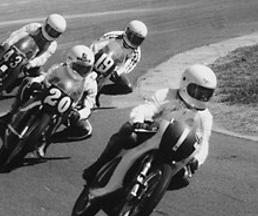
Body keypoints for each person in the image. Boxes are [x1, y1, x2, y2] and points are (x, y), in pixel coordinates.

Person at [82, 64, 217, 189]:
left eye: (206, 94)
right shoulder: (166, 94)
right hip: (150, 134)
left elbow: (203, 143)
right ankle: (99, 165)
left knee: (183, 178)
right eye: (198, 91)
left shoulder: (205, 117)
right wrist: (138, 120)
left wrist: (197, 161)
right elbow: (148, 108)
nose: (202, 96)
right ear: (185, 83)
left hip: (174, 148)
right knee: (128, 134)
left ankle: (149, 193)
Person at [0, 45, 97, 158]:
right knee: (27, 82)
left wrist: (78, 114)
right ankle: (12, 113)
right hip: (46, 96)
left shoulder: (91, 83)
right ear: (69, 61)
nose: (82, 71)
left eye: (86, 68)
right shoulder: (59, 68)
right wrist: (36, 81)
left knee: (85, 130)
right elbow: (45, 77)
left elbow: (89, 106)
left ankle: (47, 141)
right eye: (78, 67)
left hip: (67, 110)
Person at [0, 13, 67, 77]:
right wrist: (8, 43)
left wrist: (31, 64)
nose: (51, 33)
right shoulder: (34, 27)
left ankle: (16, 85)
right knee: (0, 48)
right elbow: (17, 34)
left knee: (38, 73)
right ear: (45, 24)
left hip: (29, 59)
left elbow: (43, 57)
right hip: (17, 47)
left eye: (55, 33)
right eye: (50, 29)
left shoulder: (52, 45)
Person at [90, 20, 148, 106]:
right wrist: (92, 56)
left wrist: (117, 72)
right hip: (101, 56)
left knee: (127, 87)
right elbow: (96, 45)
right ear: (127, 31)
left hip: (115, 67)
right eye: (132, 37)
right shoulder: (113, 35)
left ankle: (99, 90)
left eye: (138, 40)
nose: (134, 41)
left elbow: (128, 66)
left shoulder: (136, 52)